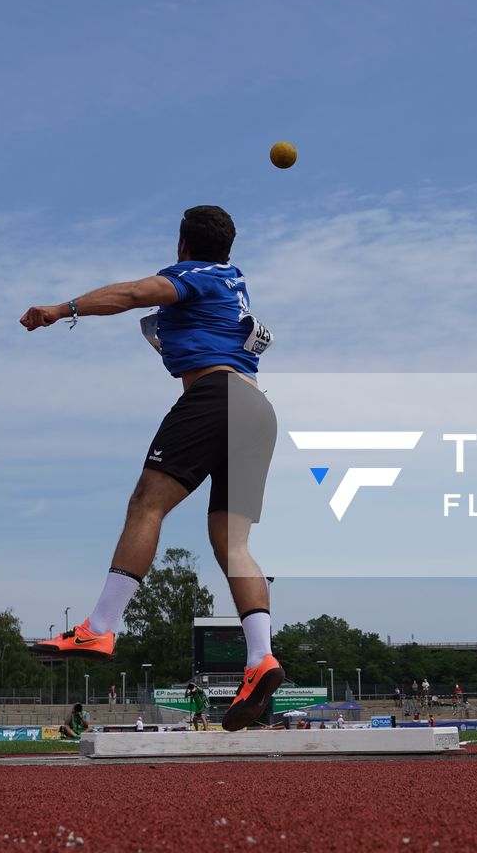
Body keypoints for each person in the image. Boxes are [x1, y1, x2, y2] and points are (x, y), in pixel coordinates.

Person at [23, 206, 283, 732]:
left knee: (148, 504)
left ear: (183, 243)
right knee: (232, 544)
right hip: (258, 408)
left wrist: (62, 308)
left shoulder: (194, 274)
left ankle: (100, 626)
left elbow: (136, 294)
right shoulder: (234, 282)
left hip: (215, 397)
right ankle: (261, 660)